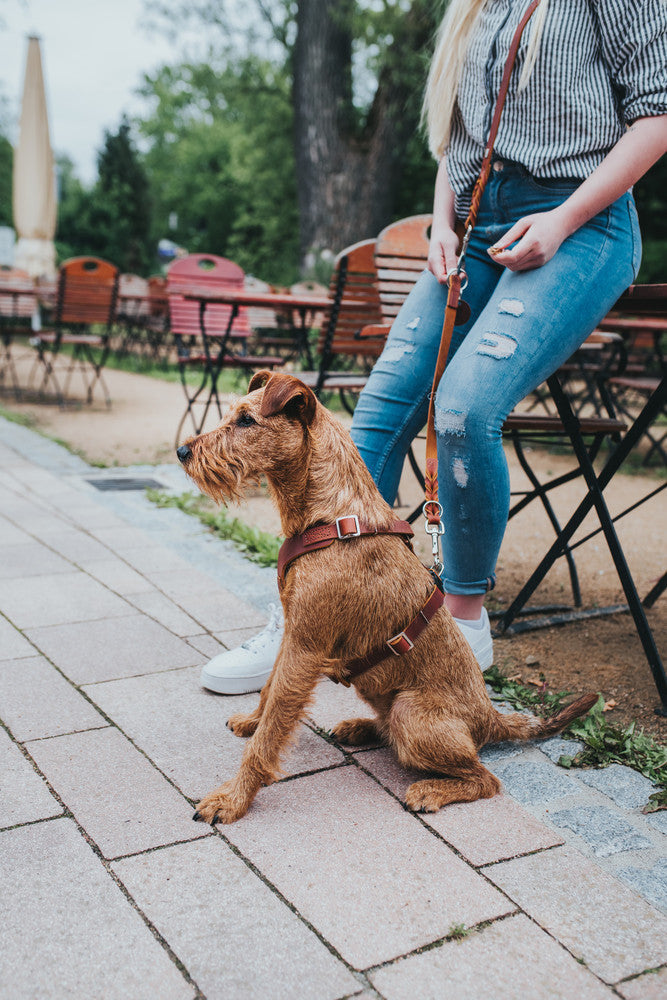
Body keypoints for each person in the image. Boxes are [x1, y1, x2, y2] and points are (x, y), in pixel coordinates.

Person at [201, 0, 667, 695]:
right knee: (378, 412)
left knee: (461, 407)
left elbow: (655, 116)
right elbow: (457, 134)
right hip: (474, 215)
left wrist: (563, 219)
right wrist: (442, 224)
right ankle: (305, 617)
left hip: (583, 220)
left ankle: (461, 620)